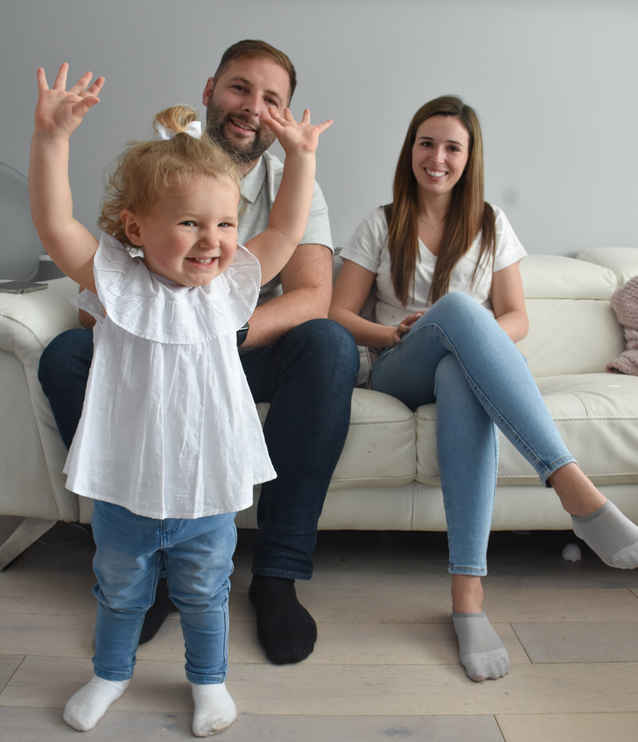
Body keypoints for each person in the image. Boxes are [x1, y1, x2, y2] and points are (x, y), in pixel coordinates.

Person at [29, 62, 332, 733]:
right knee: (119, 592)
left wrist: (300, 156)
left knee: (204, 593)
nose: (214, 241)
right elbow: (56, 226)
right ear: (135, 230)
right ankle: (110, 674)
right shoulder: (116, 282)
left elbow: (282, 232)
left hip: (206, 486)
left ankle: (208, 683)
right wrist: (52, 141)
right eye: (192, 223)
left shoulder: (227, 289)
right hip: (126, 487)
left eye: (224, 225)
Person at [329, 95, 638, 683]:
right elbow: (340, 314)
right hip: (397, 365)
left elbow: (517, 317)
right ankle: (575, 490)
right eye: (427, 143)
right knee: (455, 312)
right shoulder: (380, 221)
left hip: (451, 372)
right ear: (410, 150)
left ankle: (467, 600)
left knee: (460, 365)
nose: (437, 157)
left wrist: (472, 336)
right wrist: (394, 330)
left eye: (452, 147)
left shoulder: (492, 224)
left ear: (469, 159)